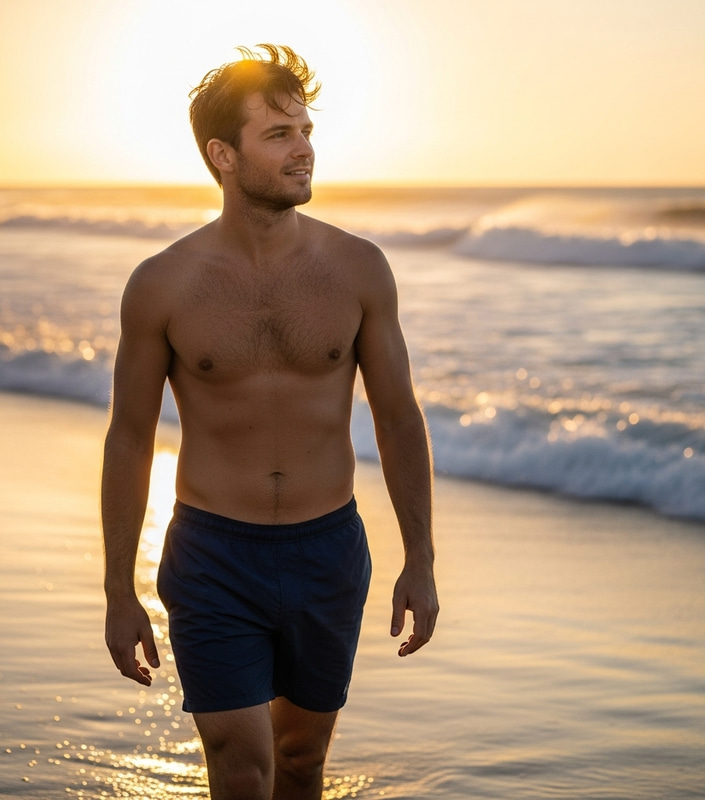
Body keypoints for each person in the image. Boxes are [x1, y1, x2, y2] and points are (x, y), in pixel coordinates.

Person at [102, 44, 438, 800]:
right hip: (214, 552)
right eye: (280, 134)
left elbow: (398, 417)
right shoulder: (162, 285)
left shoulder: (358, 269)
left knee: (298, 762)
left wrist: (421, 557)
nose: (306, 150)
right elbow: (128, 436)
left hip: (328, 550)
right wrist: (117, 590)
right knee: (243, 763)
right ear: (224, 156)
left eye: (307, 130)